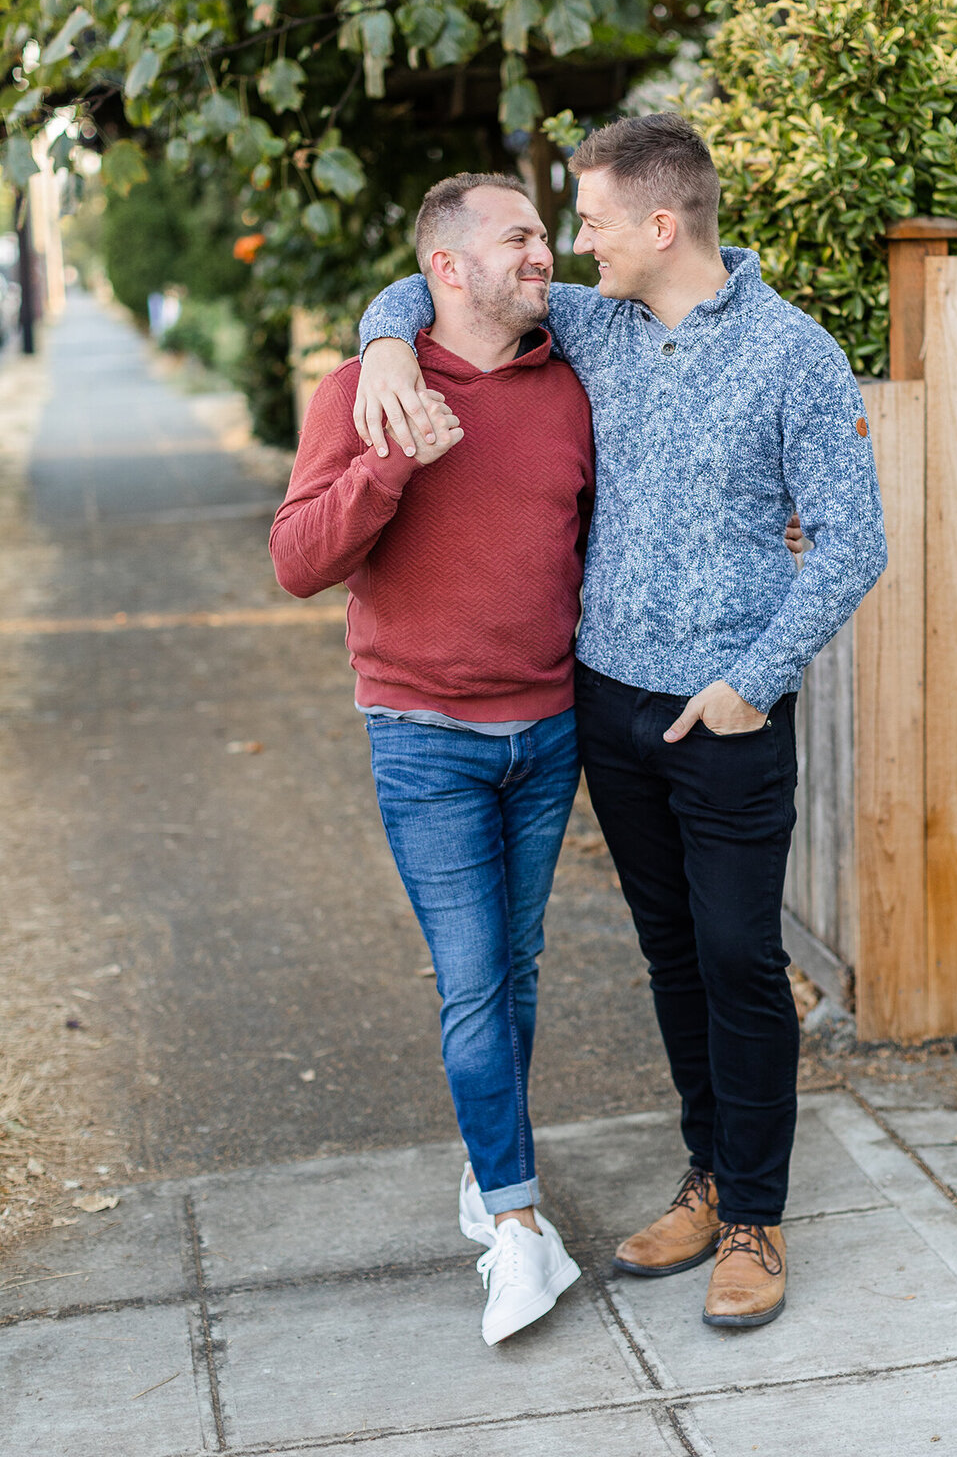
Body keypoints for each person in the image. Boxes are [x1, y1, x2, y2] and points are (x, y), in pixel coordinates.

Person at [355, 113, 887, 1332]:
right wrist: (387, 348)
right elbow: (435, 278)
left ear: (662, 224)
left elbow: (853, 540)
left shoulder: (795, 353)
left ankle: (756, 1215)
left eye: (588, 220)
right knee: (672, 959)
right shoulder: (588, 324)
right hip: (607, 702)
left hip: (731, 712)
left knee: (744, 959)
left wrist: (756, 676)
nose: (571, 243)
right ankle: (707, 1176)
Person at [270, 173, 594, 1347]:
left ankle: (484, 1156)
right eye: (519, 239)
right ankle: (514, 1224)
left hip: (550, 731)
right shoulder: (362, 390)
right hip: (424, 740)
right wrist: (389, 461)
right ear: (447, 269)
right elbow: (299, 562)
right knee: (471, 979)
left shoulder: (573, 379)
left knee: (517, 962)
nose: (544, 254)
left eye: (547, 235)